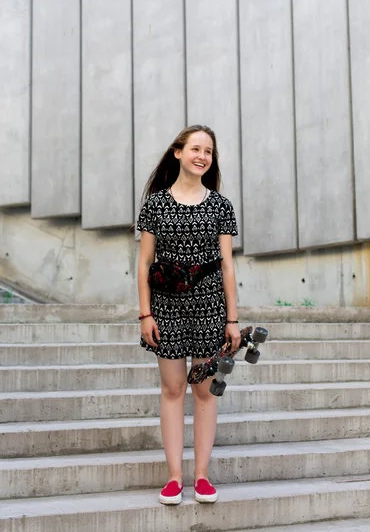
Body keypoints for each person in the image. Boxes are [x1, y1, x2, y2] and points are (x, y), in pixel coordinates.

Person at [136, 124, 240, 505]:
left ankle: (202, 476)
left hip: (211, 305)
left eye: (208, 151)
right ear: (178, 152)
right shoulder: (155, 204)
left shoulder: (221, 206)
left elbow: (228, 266)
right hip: (166, 305)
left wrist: (232, 319)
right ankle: (174, 478)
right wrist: (145, 314)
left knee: (204, 391)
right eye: (195, 148)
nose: (202, 156)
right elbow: (145, 262)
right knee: (173, 388)